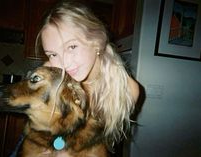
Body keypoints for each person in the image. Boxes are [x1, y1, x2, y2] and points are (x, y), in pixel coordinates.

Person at [35, 0, 139, 155]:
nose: (63, 63)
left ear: (96, 41)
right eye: (53, 54)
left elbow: (101, 144)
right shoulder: (52, 74)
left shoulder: (127, 90)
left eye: (71, 47)